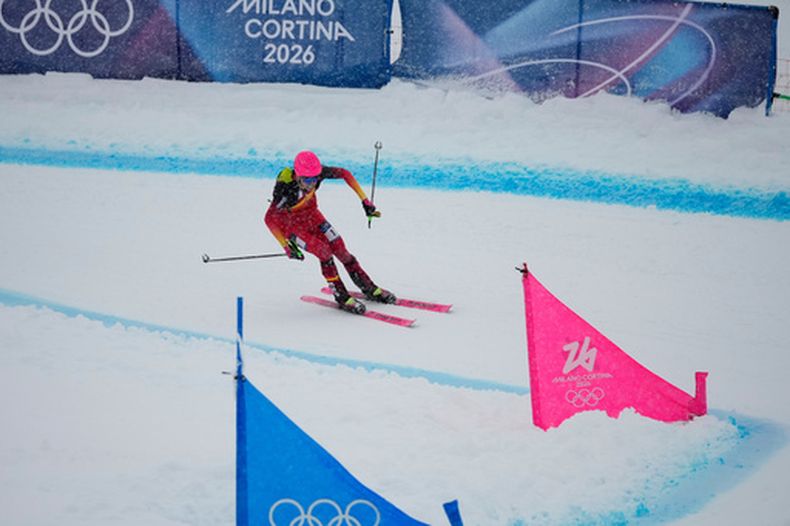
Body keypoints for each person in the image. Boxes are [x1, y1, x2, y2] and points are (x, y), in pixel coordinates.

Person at [264, 150, 396, 314]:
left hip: (312, 216)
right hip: (291, 225)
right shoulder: (285, 188)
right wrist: (285, 246)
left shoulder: (317, 173)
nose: (311, 183)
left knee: (340, 249)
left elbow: (345, 174)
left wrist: (365, 200)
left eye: (315, 179)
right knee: (324, 252)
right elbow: (269, 218)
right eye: (307, 179)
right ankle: (342, 297)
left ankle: (369, 288)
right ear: (296, 175)